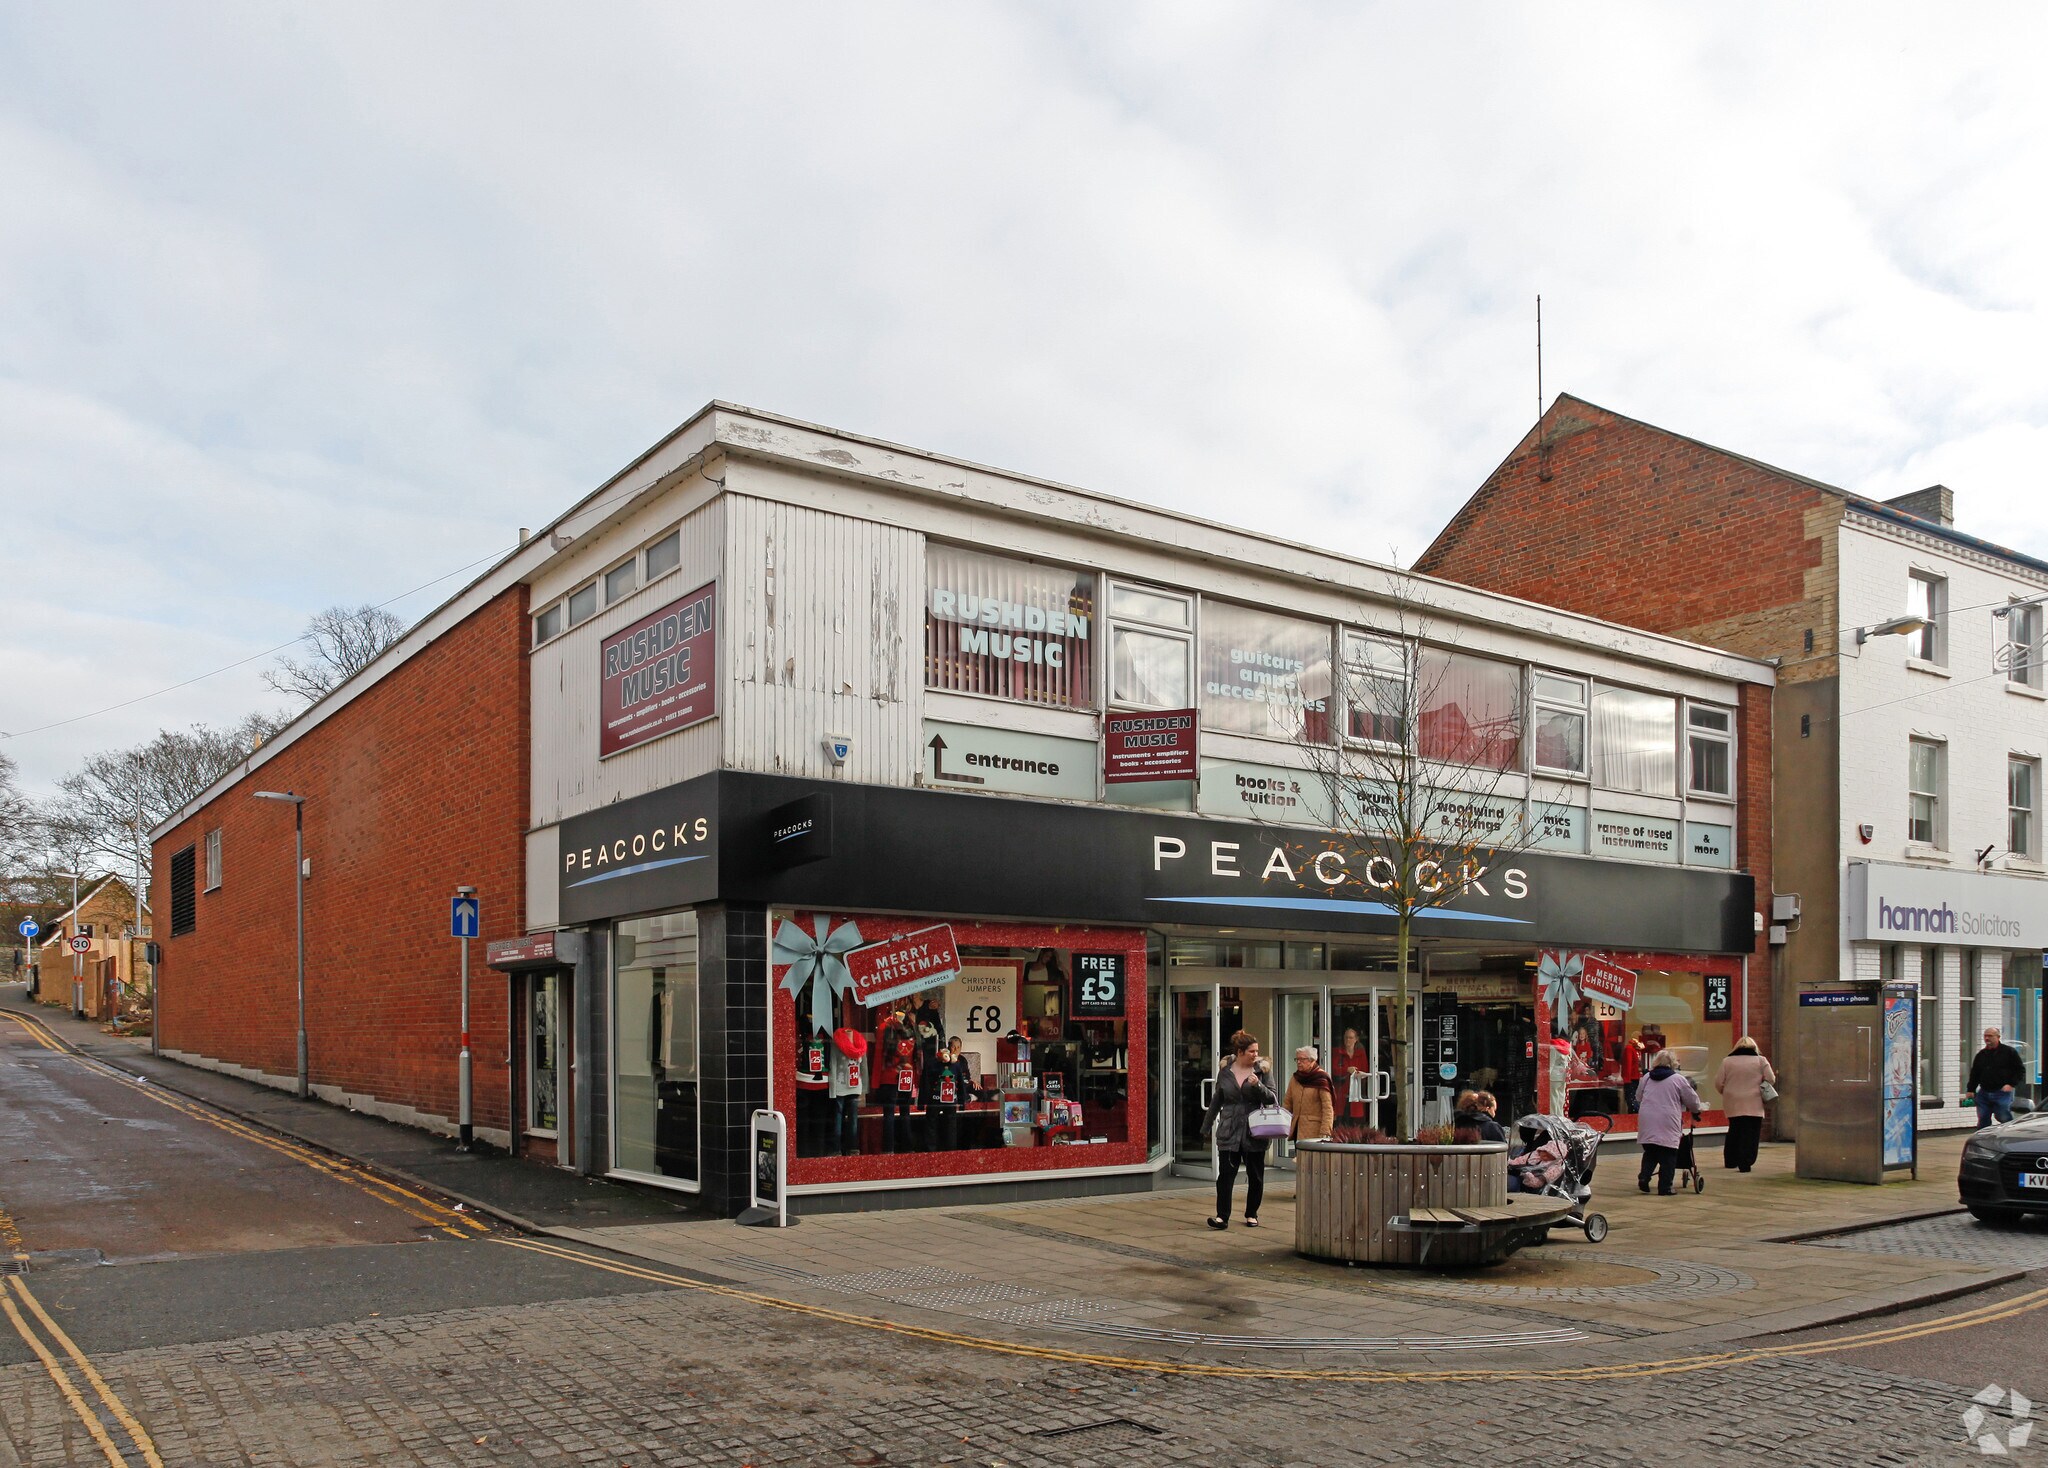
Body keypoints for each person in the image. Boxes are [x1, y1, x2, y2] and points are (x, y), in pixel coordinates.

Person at [1201, 1030, 1277, 1230]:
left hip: (1255, 1132)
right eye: (1252, 1051)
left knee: (1255, 1175)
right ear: (1240, 1052)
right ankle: (1221, 1217)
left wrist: (1258, 1085)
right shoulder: (1226, 1071)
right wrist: (1206, 1125)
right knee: (1225, 1175)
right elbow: (1217, 1099)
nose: (1256, 1055)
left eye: (1257, 1051)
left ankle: (1252, 1214)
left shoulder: (1263, 1071)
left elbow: (1272, 1098)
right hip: (1229, 1131)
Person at [1635, 1049, 1703, 1195]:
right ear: (1673, 1063)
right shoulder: (1678, 1079)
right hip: (1668, 1118)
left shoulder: (1646, 1077)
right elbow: (1692, 1099)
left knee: (1651, 1151)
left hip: (1648, 1118)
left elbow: (1638, 1096)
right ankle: (1665, 1187)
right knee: (1668, 1154)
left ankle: (1644, 1177)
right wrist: (1696, 1111)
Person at [1713, 1036, 1776, 1171]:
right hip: (1754, 1100)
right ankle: (1745, 1162)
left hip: (1732, 1100)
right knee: (1751, 1133)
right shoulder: (1760, 1060)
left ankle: (1730, 1160)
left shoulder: (1727, 1061)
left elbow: (1718, 1082)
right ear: (1754, 1047)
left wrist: (1725, 1092)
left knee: (1734, 1130)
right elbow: (1771, 1078)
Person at [1968, 1027, 2027, 1127]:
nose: (1987, 1038)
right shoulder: (1981, 1055)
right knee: (1983, 1118)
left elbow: (2020, 1070)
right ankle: (1983, 1139)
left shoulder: (2009, 1052)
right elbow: (1975, 1073)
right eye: (1985, 1036)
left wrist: (2011, 1084)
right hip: (1984, 1092)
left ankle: (2010, 1134)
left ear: (1998, 1037)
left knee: (2003, 1116)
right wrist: (1970, 1089)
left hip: (2002, 1092)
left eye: (1990, 1036)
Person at [1284, 1046, 1335, 1144]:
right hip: (1297, 1129)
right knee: (1298, 1158)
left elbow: (1327, 1108)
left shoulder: (1321, 1078)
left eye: (1302, 1059)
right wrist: (1283, 1124)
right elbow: (1287, 1103)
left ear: (1312, 1060)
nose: (1298, 1062)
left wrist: (1325, 1131)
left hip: (1315, 1131)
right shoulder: (1295, 1078)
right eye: (1297, 1059)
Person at [1330, 1026, 1373, 1141]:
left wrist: (1359, 1073)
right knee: (1341, 1121)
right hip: (1341, 1092)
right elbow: (1333, 1070)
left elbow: (1365, 1070)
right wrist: (1346, 1070)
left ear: (1356, 1039)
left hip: (1356, 1093)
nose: (1348, 1040)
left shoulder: (1360, 1053)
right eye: (1346, 1038)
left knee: (1356, 1123)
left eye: (1350, 1038)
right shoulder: (1337, 1052)